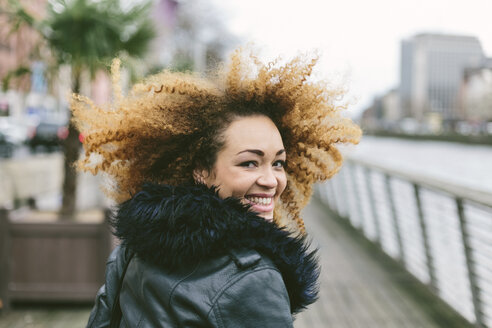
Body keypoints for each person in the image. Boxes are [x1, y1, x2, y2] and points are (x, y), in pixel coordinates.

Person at [72, 49, 361, 327]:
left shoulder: (135, 246)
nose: (272, 180)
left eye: (278, 163)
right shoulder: (253, 278)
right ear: (201, 170)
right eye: (249, 163)